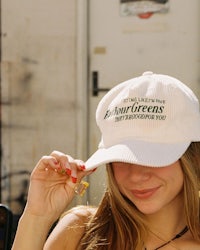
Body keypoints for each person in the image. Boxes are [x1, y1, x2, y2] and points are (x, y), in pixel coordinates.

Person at [12, 72, 200, 250]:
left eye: (154, 157)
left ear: (193, 158)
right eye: (122, 158)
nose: (136, 175)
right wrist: (37, 217)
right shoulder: (80, 232)